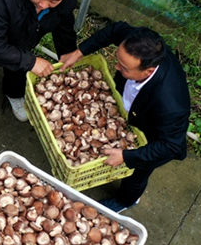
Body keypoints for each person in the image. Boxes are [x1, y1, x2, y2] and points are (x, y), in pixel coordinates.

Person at [60, 22, 191, 213]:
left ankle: (126, 200)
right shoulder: (137, 42)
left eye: (125, 67)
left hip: (153, 135)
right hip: (131, 110)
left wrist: (126, 156)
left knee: (138, 173)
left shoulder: (169, 104)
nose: (117, 67)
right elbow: (114, 30)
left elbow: (172, 146)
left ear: (148, 71)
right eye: (118, 60)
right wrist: (80, 52)